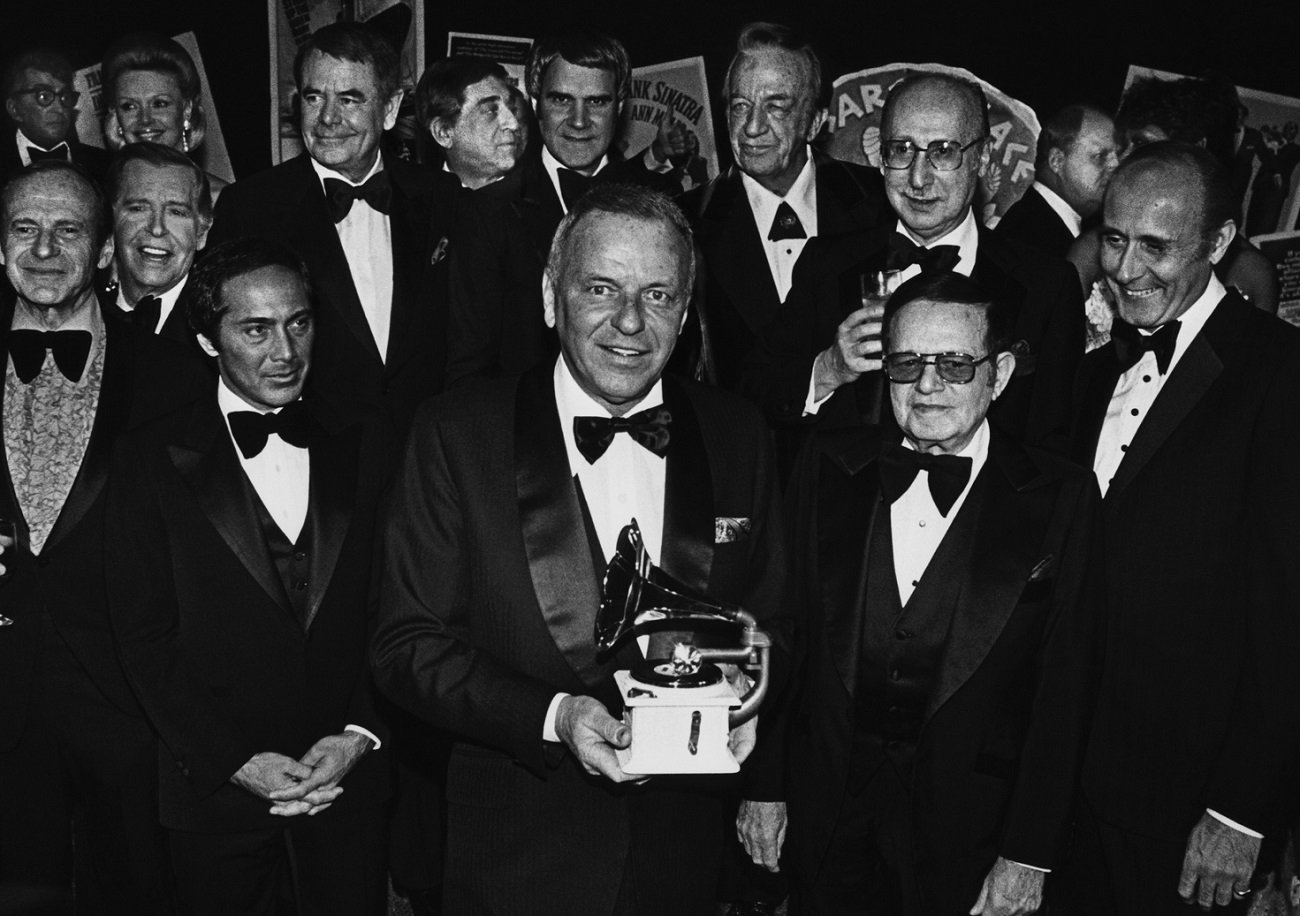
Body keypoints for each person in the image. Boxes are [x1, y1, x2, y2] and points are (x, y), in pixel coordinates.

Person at [372, 183, 791, 915]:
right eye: (601, 288)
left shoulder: (739, 434)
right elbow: (406, 646)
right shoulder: (455, 433)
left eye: (658, 295)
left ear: (687, 313)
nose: (630, 321)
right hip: (516, 859)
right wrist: (556, 715)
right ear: (548, 296)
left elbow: (776, 616)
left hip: (684, 860)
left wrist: (750, 693)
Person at [752, 271, 1101, 915]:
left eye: (956, 365)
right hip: (826, 820)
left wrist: (1028, 853)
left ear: (997, 374)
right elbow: (780, 636)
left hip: (969, 836)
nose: (928, 385)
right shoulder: (826, 465)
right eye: (907, 363)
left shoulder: (1063, 496)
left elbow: (1065, 691)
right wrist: (764, 785)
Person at [104, 236, 391, 915]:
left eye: (298, 323)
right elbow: (141, 639)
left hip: (346, 788)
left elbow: (398, 611)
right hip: (214, 799)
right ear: (209, 341)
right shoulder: (146, 460)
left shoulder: (369, 441)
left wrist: (357, 737)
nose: (286, 352)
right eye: (256, 330)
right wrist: (237, 761)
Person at [1056, 141, 1300, 915]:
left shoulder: (1280, 373)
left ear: (1220, 244)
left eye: (1157, 247)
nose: (1126, 269)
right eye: (1115, 240)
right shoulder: (1095, 370)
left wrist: (1241, 808)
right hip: (1066, 791)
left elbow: (1289, 611)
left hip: (1189, 805)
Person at [0, 160, 207, 911]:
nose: (46, 249)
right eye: (25, 229)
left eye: (68, 230)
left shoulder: (174, 374)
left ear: (101, 251)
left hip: (128, 710)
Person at [746, 72, 1084, 458]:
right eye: (902, 150)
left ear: (983, 156)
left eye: (943, 152)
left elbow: (1054, 447)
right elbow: (749, 394)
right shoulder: (827, 264)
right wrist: (827, 370)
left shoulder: (1046, 286)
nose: (918, 179)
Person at [208, 21, 459, 435]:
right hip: (313, 457)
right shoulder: (250, 207)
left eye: (349, 99)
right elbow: (223, 343)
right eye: (313, 97)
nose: (327, 118)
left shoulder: (441, 197)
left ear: (391, 108)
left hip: (425, 453)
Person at [443, 29, 690, 386]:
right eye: (561, 100)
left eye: (596, 102)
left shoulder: (665, 201)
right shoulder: (486, 215)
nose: (578, 120)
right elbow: (468, 371)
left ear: (619, 107)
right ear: (535, 102)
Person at [686, 21, 886, 391]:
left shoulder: (880, 202)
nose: (751, 127)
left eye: (776, 107)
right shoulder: (685, 222)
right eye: (740, 106)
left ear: (814, 123)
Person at [1070, 75, 1278, 313]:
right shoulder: (1092, 249)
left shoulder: (1250, 272)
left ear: (1195, 148)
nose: (1123, 159)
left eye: (1141, 143)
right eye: (1123, 146)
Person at [102, 141, 212, 350]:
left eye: (176, 212)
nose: (157, 228)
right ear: (110, 221)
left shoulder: (219, 326)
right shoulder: (80, 311)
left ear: (202, 233)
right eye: (138, 209)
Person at [101, 32, 229, 200]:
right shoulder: (102, 204)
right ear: (116, 115)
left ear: (187, 109)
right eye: (129, 106)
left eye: (159, 104)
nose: (145, 119)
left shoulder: (223, 200)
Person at [995, 104, 1118, 259]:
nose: (1115, 166)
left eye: (1116, 156)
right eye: (1100, 156)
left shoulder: (1036, 226)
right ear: (1057, 161)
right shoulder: (1032, 239)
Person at [1, 48, 108, 183]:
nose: (59, 108)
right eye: (44, 96)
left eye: (65, 97)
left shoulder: (102, 165)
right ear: (14, 109)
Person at [416, 57, 523, 190]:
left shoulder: (544, 198)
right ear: (444, 132)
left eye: (512, 109)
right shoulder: (411, 205)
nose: (514, 123)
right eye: (491, 110)